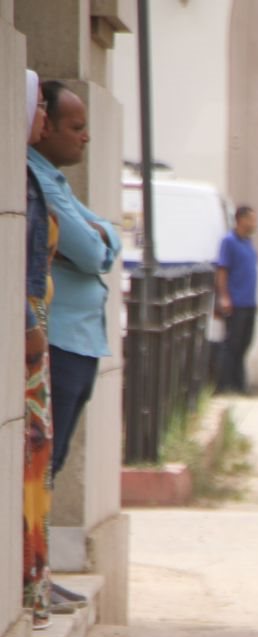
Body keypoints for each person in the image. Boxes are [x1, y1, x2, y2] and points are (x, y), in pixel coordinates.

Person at [28, 81, 122, 476]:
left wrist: (98, 236)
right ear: (46, 124)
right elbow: (90, 252)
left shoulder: (53, 179)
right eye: (76, 127)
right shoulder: (37, 179)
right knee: (46, 462)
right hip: (59, 341)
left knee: (56, 458)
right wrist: (95, 238)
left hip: (78, 341)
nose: (86, 137)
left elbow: (108, 235)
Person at [22, 70, 57, 630]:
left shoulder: (29, 175)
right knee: (32, 461)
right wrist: (30, 326)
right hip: (28, 344)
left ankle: (34, 583)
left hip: (35, 338)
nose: (44, 116)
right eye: (41, 105)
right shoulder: (22, 182)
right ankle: (29, 583)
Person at [214, 206, 258, 394]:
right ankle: (226, 384)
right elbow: (222, 270)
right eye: (251, 219)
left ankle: (239, 384)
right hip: (236, 302)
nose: (254, 224)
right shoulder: (229, 241)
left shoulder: (248, 242)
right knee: (232, 344)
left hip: (249, 303)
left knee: (243, 345)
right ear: (241, 219)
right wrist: (224, 297)